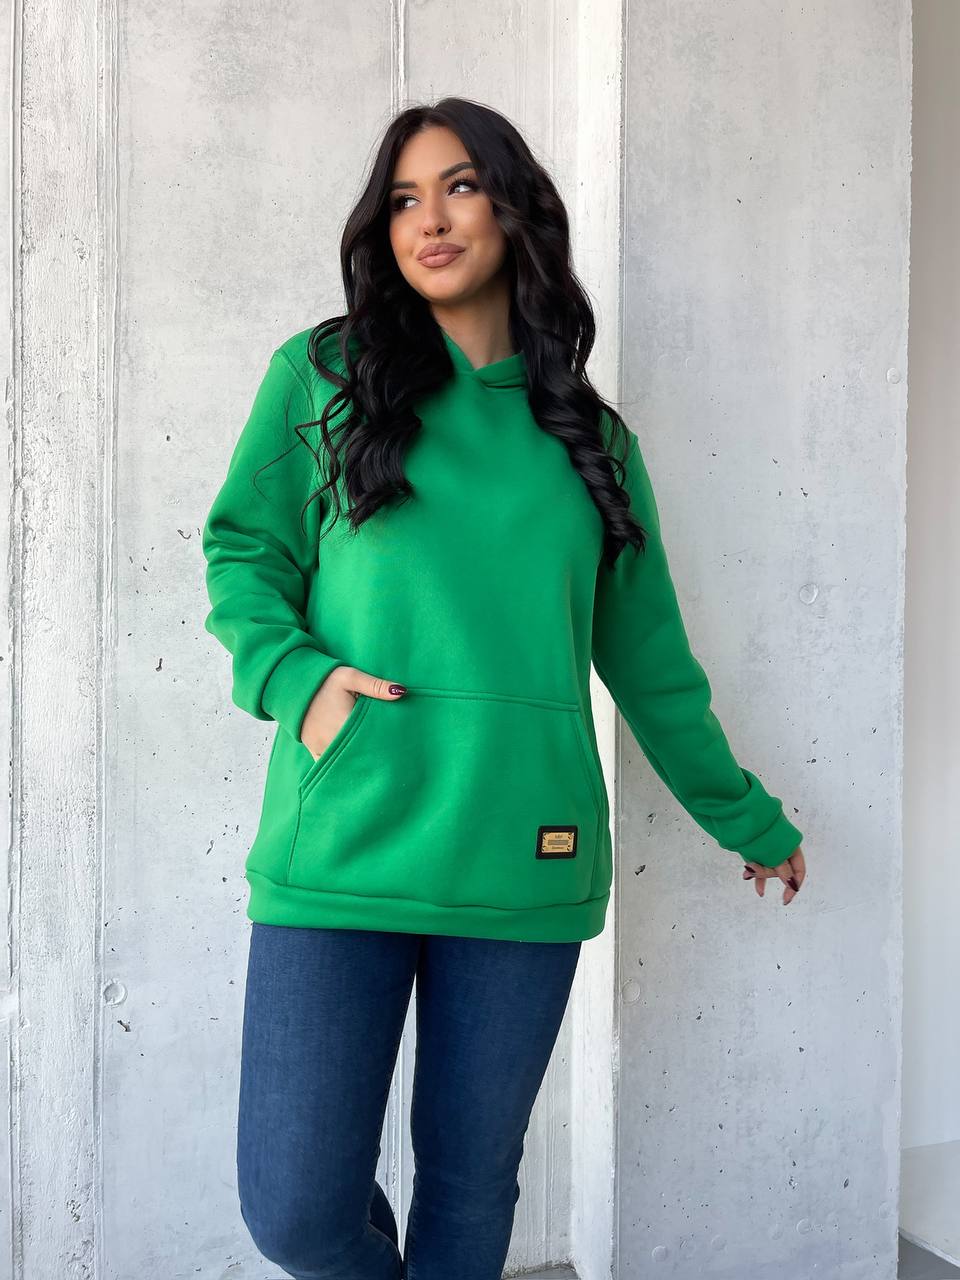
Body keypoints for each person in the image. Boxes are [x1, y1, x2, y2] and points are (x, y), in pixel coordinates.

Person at [201, 96, 806, 1280]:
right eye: (403, 198)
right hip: (345, 840)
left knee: (471, 1186)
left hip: (526, 852)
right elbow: (243, 552)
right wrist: (297, 680)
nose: (429, 219)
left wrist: (750, 818)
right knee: (297, 1209)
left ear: (515, 208)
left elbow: (653, 665)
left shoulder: (590, 441)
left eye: (460, 186)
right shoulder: (323, 378)